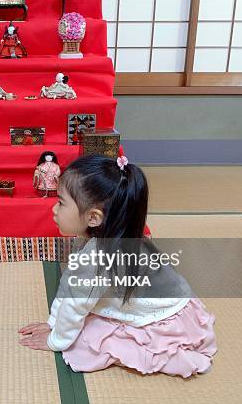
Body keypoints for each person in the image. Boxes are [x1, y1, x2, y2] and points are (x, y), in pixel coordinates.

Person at [19, 154, 217, 378]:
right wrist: (53, 322)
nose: (54, 210)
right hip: (174, 298)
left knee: (90, 341)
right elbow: (70, 285)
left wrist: (55, 340)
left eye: (61, 203)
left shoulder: (98, 257)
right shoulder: (107, 236)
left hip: (164, 316)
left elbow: (75, 304)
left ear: (94, 217)